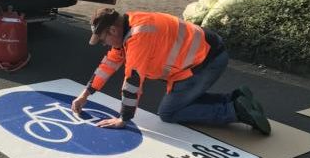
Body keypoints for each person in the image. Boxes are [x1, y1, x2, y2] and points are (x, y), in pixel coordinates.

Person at [71, 8, 271, 135]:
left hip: (206, 61)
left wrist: (123, 119)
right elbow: (109, 64)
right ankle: (236, 98)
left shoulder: (138, 38)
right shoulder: (130, 22)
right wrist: (85, 94)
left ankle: (236, 111)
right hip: (204, 55)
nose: (105, 44)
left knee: (169, 112)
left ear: (113, 31)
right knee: (178, 101)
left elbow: (132, 83)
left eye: (104, 39)